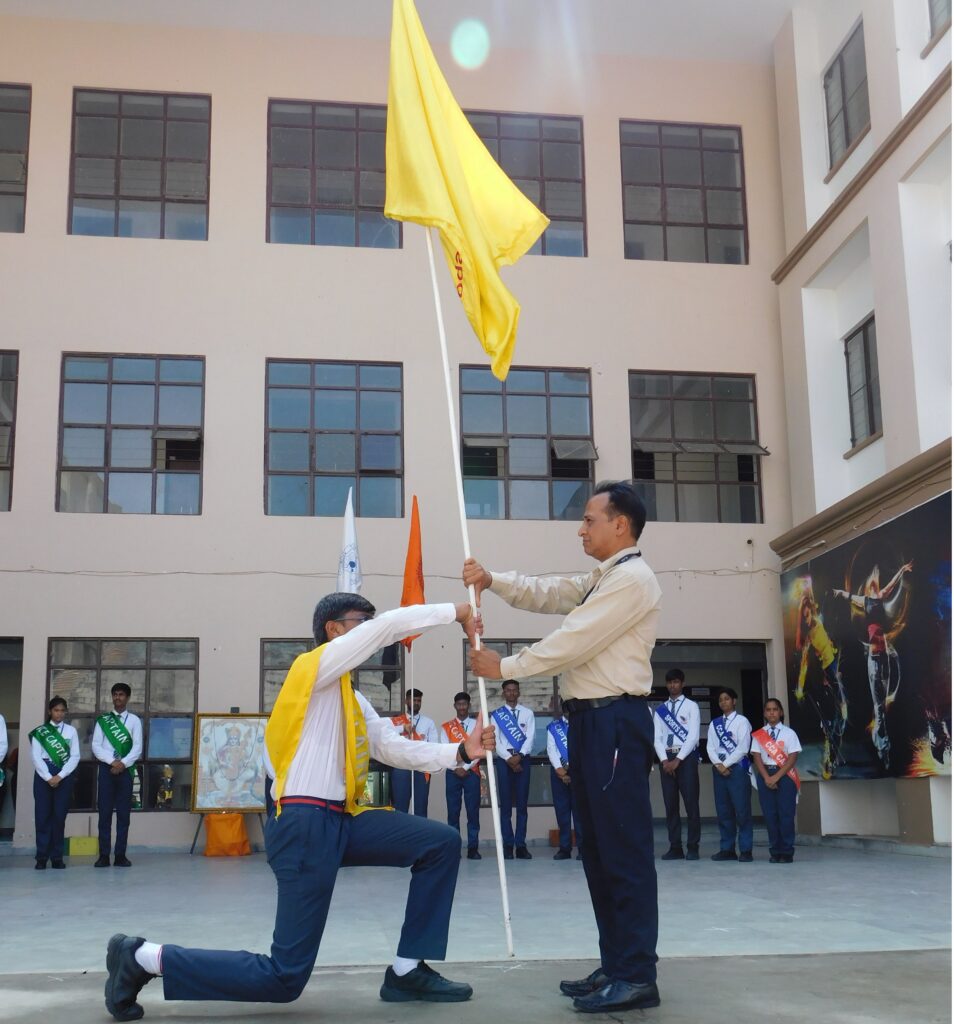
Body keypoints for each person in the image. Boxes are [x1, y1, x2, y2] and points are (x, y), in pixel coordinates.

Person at [104, 593, 495, 1022]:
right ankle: (142, 957)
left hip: (342, 821)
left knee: (439, 843)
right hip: (304, 823)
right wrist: (456, 612)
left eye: (370, 620)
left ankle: (405, 970)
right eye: (361, 620)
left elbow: (393, 748)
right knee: (284, 978)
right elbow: (387, 627)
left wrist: (459, 751)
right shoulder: (313, 669)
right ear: (333, 629)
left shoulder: (351, 699)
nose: (371, 627)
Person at [465, 480, 663, 1014]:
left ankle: (637, 973)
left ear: (620, 525)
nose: (582, 529)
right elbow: (550, 593)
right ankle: (616, 963)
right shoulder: (604, 577)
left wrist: (505, 666)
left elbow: (573, 637)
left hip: (616, 723)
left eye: (590, 520)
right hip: (589, 725)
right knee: (596, 850)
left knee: (622, 851)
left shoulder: (632, 581)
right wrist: (493, 580)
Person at [833, 561, 913, 769]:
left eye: (877, 583)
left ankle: (883, 744)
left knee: (884, 705)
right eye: (874, 583)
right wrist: (837, 592)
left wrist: (902, 569)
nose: (876, 585)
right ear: (870, 586)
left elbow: (893, 584)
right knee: (879, 707)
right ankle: (883, 749)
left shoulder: (881, 597)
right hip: (875, 659)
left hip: (884, 655)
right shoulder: (865, 601)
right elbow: (848, 596)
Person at [92, 682, 143, 868]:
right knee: (104, 814)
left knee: (124, 815)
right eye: (114, 694)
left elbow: (137, 747)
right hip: (107, 770)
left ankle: (120, 855)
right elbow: (96, 745)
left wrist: (123, 763)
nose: (117, 698)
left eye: (121, 694)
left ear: (127, 698)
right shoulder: (103, 720)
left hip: (126, 771)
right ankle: (104, 855)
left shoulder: (134, 721)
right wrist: (112, 762)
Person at [652, 668, 701, 861]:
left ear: (682, 683)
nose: (673, 685)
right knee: (670, 806)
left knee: (691, 805)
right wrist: (665, 760)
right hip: (666, 760)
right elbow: (657, 737)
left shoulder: (691, 706)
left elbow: (693, 736)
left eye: (676, 682)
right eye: (670, 682)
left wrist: (678, 760)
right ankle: (675, 847)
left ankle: (693, 846)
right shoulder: (661, 710)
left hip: (685, 759)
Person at [31, 695, 80, 869]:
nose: (59, 714)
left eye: (62, 711)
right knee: (42, 816)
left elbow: (75, 756)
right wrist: (48, 777)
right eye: (56, 710)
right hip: (43, 773)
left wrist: (60, 776)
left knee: (59, 817)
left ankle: (57, 857)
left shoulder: (71, 732)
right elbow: (36, 757)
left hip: (64, 775)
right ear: (50, 711)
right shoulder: (40, 732)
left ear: (65, 712)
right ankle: (41, 857)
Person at [751, 698, 801, 864]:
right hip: (765, 774)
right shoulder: (759, 734)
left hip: (785, 776)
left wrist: (776, 777)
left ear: (780, 712)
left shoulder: (789, 733)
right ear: (765, 713)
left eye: (775, 709)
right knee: (770, 816)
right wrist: (767, 777)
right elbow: (757, 757)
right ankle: (775, 851)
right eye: (768, 710)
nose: (771, 712)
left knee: (786, 815)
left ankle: (787, 852)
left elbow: (793, 757)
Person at [490, 680, 535, 860]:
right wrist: (509, 759)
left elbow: (530, 738)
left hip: (523, 760)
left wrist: (519, 757)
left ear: (518, 692)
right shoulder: (497, 715)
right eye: (508, 690)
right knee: (506, 806)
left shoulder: (528, 713)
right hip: (504, 761)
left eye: (514, 690)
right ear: (503, 693)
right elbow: (495, 740)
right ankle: (508, 845)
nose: (511, 693)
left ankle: (521, 845)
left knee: (522, 806)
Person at [707, 688, 753, 863]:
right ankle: (727, 848)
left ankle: (746, 849)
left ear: (734, 701)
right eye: (721, 700)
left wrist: (725, 765)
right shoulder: (714, 723)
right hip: (719, 770)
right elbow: (710, 747)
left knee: (742, 810)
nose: (723, 702)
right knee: (723, 810)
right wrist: (719, 765)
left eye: (727, 699)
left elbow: (743, 748)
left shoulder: (742, 722)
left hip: (737, 769)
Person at [440, 691, 482, 859]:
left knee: (473, 812)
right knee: (453, 812)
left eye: (465, 704)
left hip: (471, 772)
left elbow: (479, 749)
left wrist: (465, 767)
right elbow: (444, 749)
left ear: (468, 705)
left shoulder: (476, 726)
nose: (462, 707)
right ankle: (454, 848)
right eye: (459, 704)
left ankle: (473, 848)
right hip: (452, 773)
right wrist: (456, 767)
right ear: (455, 706)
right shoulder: (446, 727)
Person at [390, 688, 437, 817]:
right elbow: (389, 743)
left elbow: (434, 746)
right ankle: (401, 837)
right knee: (400, 809)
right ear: (406, 701)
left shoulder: (428, 723)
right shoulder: (396, 722)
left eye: (419, 700)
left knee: (421, 809)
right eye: (413, 700)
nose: (416, 703)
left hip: (421, 768)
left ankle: (420, 837)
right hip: (401, 767)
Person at [546, 700, 582, 860]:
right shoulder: (554, 727)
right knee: (562, 813)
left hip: (578, 773)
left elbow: (584, 749)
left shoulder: (582, 725)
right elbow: (551, 750)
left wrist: (571, 769)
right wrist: (562, 772)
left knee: (580, 813)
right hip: (559, 774)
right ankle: (565, 848)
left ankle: (583, 849)